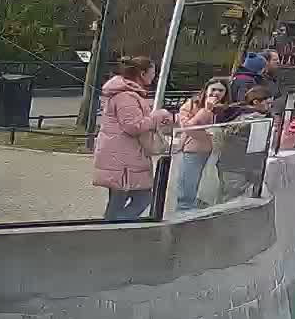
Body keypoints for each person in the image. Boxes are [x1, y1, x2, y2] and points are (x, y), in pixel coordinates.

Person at [90, 55, 173, 221]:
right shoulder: (126, 97)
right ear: (142, 73)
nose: (154, 76)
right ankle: (113, 228)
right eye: (152, 72)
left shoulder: (128, 94)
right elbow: (133, 126)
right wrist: (158, 116)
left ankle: (112, 228)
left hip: (124, 156)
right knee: (138, 198)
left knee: (121, 200)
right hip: (123, 159)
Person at [172, 77, 228, 212]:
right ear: (206, 90)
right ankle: (184, 210)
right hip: (195, 148)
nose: (216, 93)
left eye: (220, 90)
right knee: (188, 182)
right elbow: (188, 126)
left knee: (212, 184)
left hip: (220, 150)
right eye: (213, 89)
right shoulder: (192, 104)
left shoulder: (228, 108)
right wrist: (206, 110)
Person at [216, 87, 274, 202]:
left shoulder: (237, 114)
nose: (270, 107)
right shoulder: (257, 120)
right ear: (256, 102)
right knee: (233, 201)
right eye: (268, 103)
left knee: (228, 198)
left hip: (229, 164)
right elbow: (258, 146)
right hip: (240, 167)